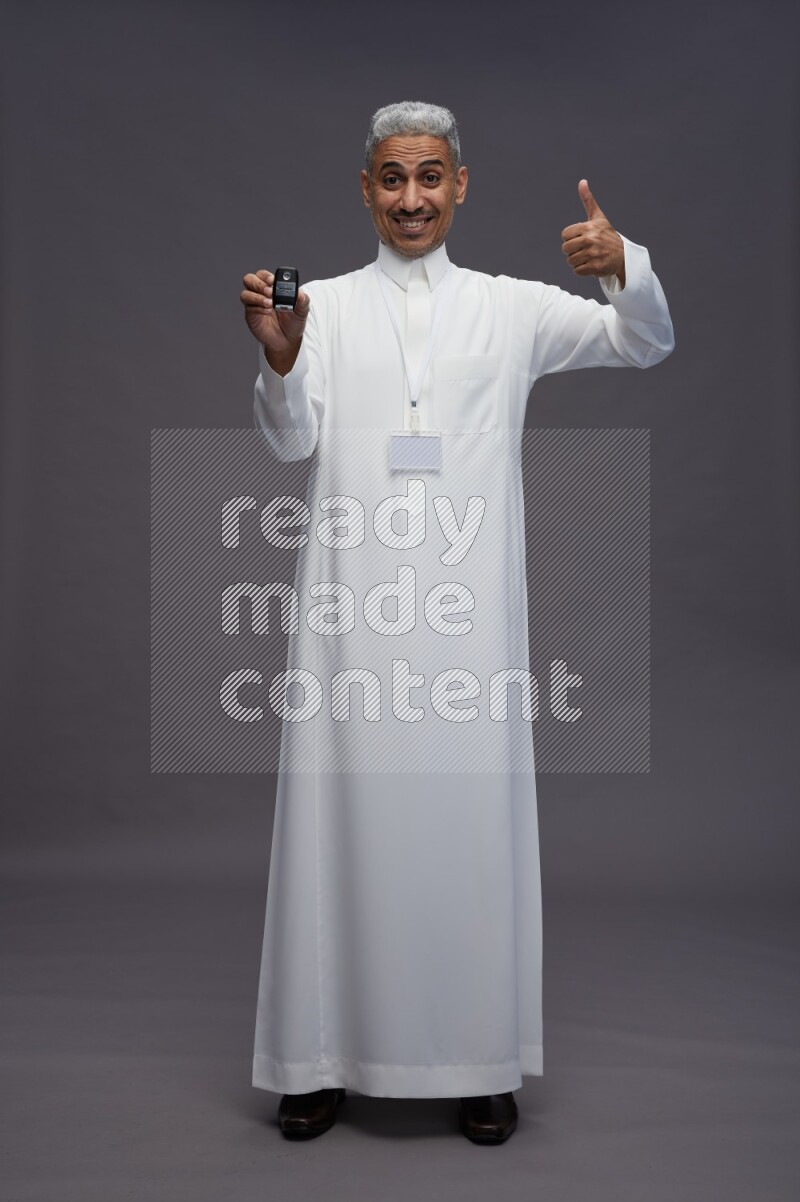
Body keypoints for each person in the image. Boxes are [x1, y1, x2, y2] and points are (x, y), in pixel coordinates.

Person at [240, 100, 674, 1145]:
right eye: (391, 178)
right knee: (335, 826)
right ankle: (316, 1058)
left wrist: (623, 260)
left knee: (468, 832)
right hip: (353, 617)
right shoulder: (328, 307)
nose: (411, 198)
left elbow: (641, 339)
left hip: (469, 622)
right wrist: (280, 354)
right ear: (365, 190)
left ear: (460, 185)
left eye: (429, 176)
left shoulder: (510, 308)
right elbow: (288, 442)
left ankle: (477, 1058)